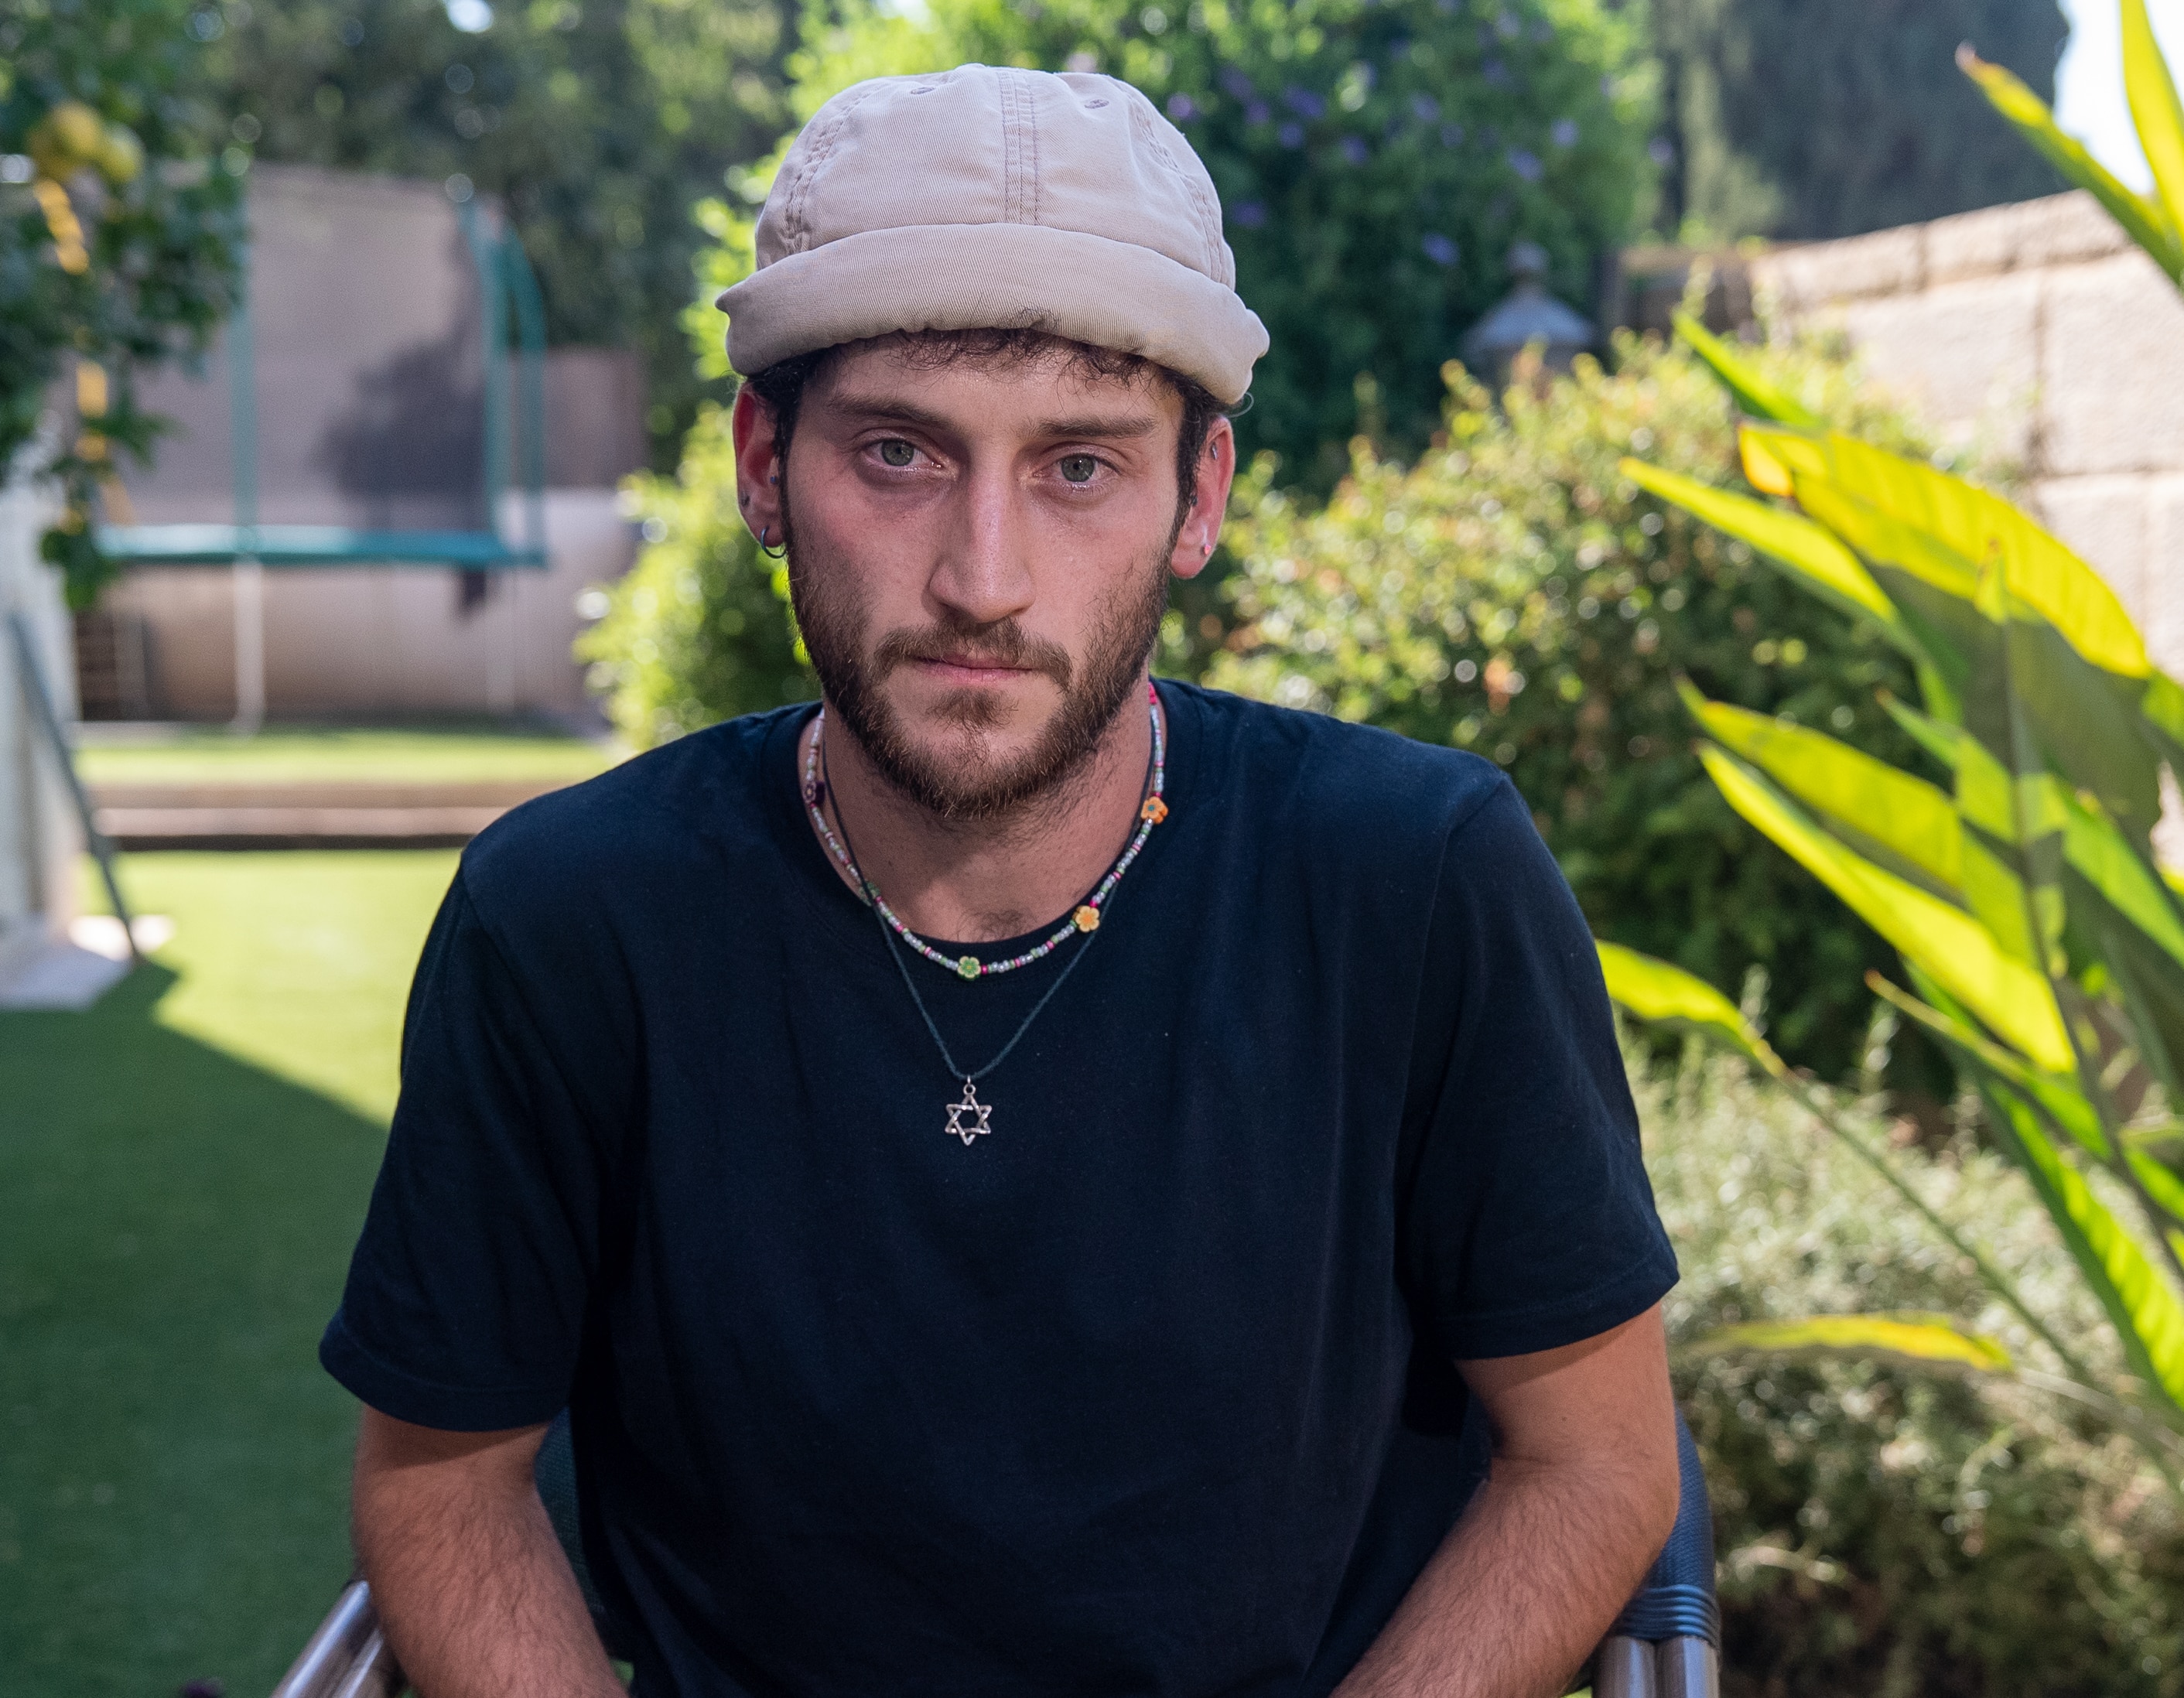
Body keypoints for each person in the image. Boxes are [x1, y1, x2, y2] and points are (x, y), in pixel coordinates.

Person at [323, 63, 1680, 1698]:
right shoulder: (568, 921)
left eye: (1080, 467)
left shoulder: (1414, 880)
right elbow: (442, 1480)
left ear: (1200, 498)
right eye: (897, 455)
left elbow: (1597, 1460)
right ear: (763, 465)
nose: (982, 577)